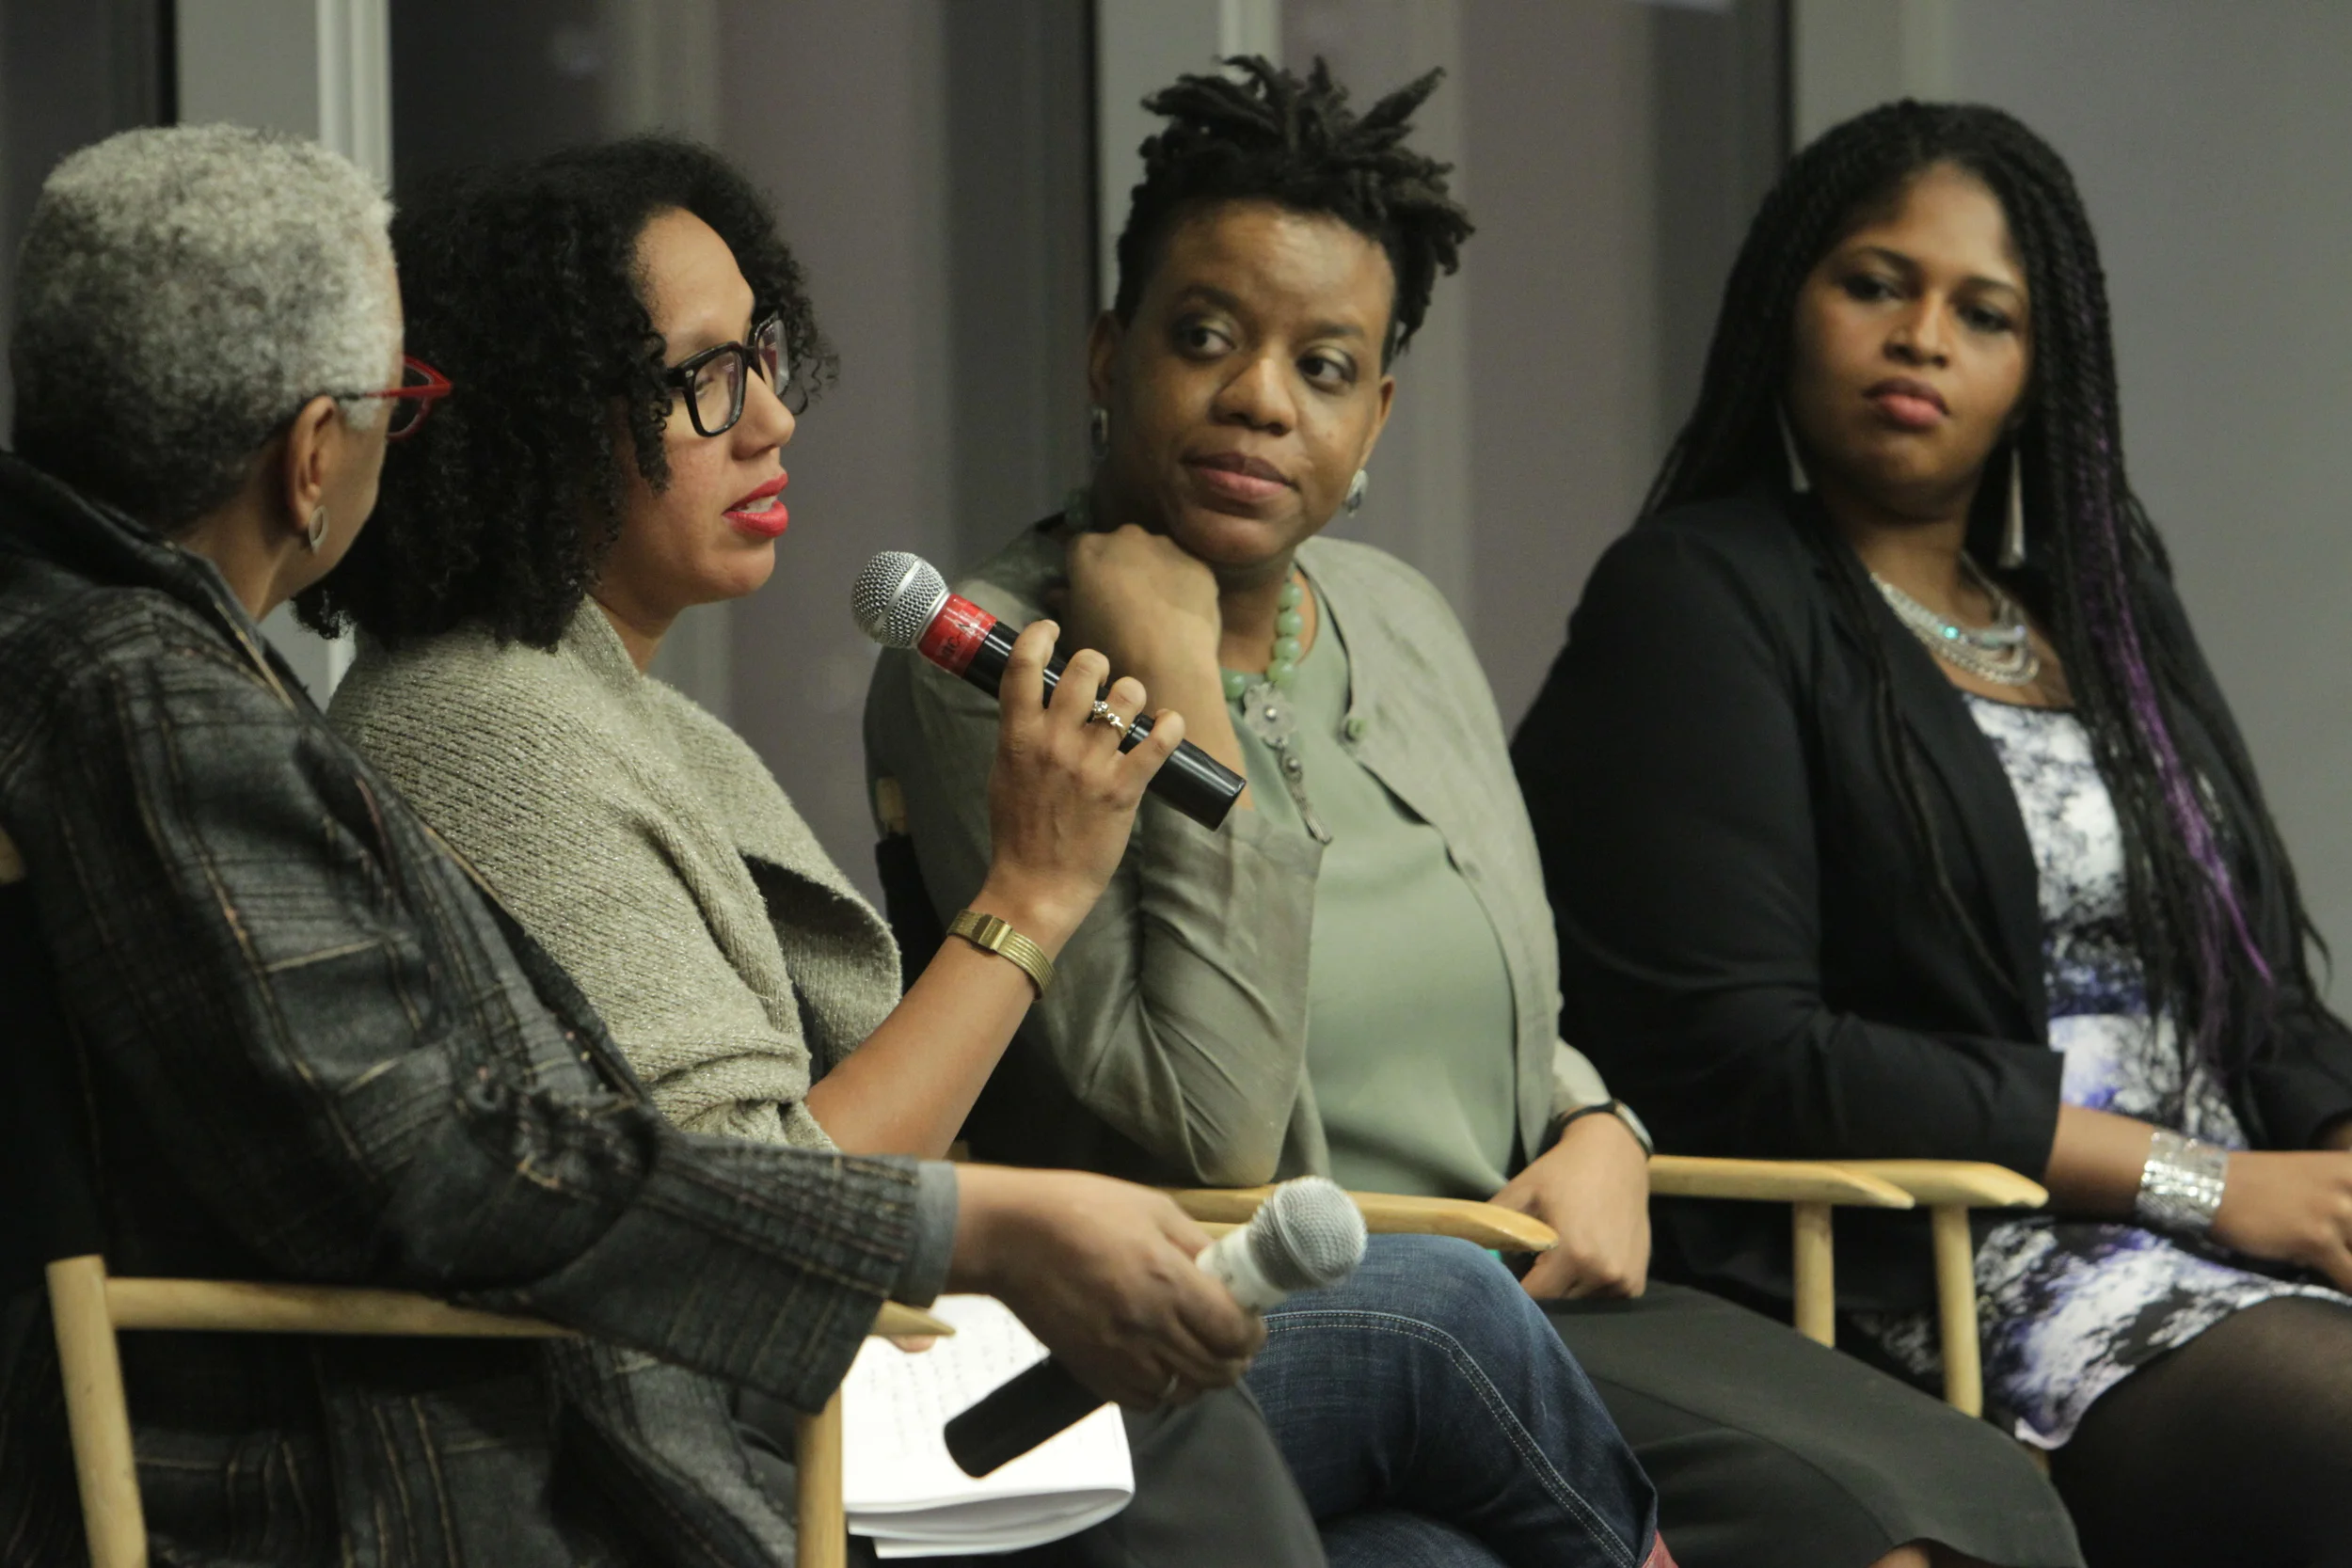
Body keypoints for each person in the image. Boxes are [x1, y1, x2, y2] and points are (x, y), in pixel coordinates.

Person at [313, 135, 1663, 1568]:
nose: (771, 416)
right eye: (704, 378)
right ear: (543, 414)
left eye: (765, 357)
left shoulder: (613, 710)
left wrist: (1598, 1120)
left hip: (869, 1375)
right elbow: (750, 1208)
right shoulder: (482, 730)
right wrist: (1034, 894)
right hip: (773, 1437)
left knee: (1423, 1555)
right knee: (1436, 1316)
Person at [0, 124, 1299, 1567]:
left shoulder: (91, 655)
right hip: (441, 1477)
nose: (771, 421)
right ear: (316, 455)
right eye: (398, 399)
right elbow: (458, 1170)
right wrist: (965, 1221)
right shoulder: (159, 711)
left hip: (550, 1401)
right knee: (1384, 1359)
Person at [865, 60, 2078, 1568]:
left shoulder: (1400, 617)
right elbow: (1210, 1122)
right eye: (1203, 338)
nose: (1257, 397)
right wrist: (1184, 683)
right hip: (1255, 1312)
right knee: (1849, 1529)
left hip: (1527, 1289)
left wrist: (1598, 1122)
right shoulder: (998, 661)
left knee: (1959, 1506)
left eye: (1324, 367)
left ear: (1375, 418)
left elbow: (1511, 985)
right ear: (1109, 353)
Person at [1510, 98, 2352, 1568]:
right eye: (1876, 283)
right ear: (1789, 305)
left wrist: (2335, 1153)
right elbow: (1748, 1051)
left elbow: (2256, 994)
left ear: (2040, 371)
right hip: (1967, 1273)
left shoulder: (2104, 622)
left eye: (1985, 312)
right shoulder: (1700, 598)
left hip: (2254, 1234)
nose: (1924, 338)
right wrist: (2204, 1182)